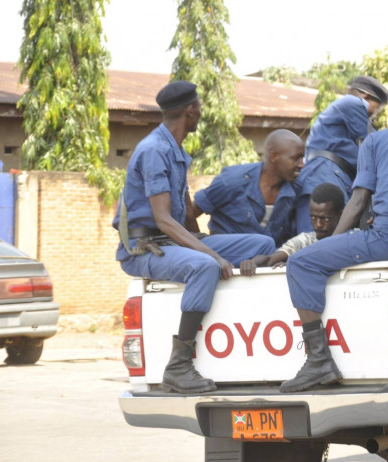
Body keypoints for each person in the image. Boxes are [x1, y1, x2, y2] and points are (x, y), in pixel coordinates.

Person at [281, 89, 388, 393]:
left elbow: (359, 199)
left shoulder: (375, 141)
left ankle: (319, 361)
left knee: (300, 263)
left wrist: (328, 246)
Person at [112, 80, 276, 394]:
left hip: (172, 240)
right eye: (199, 107)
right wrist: (212, 254)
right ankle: (179, 366)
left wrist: (206, 242)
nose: (201, 112)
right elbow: (162, 219)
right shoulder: (154, 150)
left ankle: (245, 331)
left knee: (262, 244)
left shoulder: (174, 150)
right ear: (191, 110)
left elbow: (185, 211)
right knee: (205, 267)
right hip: (145, 248)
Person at [294, 75, 388, 233]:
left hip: (334, 174)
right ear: (365, 96)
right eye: (377, 108)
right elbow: (370, 143)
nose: (375, 116)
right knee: (312, 238)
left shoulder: (345, 109)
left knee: (328, 238)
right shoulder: (354, 103)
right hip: (324, 173)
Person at [191, 129, 304, 247]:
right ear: (274, 156)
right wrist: (200, 248)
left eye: (302, 158)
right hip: (226, 259)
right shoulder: (232, 181)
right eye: (296, 158)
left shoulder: (296, 189)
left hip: (267, 263)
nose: (302, 164)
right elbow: (192, 212)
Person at [239, 183, 345, 276]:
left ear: (340, 214)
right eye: (313, 218)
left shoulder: (354, 240)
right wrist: (253, 263)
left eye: (324, 219)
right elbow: (270, 259)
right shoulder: (306, 240)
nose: (318, 225)